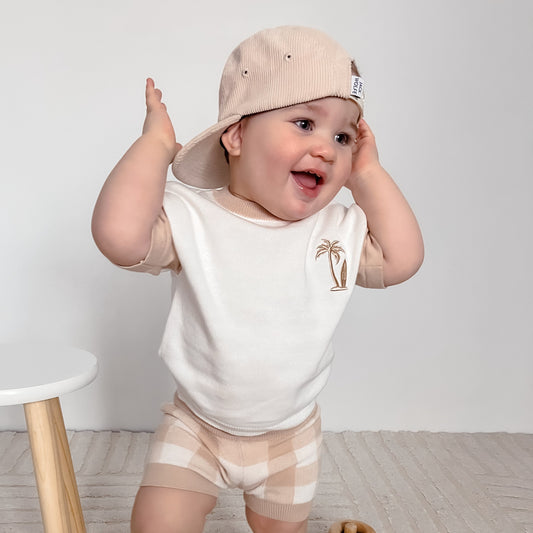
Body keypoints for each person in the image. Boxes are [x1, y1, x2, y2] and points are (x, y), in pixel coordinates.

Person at [92, 25, 423, 533]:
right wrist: (154, 147)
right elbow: (118, 237)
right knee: (156, 525)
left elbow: (402, 261)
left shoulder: (337, 229)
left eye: (343, 137)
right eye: (305, 122)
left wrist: (369, 175)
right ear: (238, 134)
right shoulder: (194, 219)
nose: (328, 149)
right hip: (196, 426)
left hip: (290, 437)